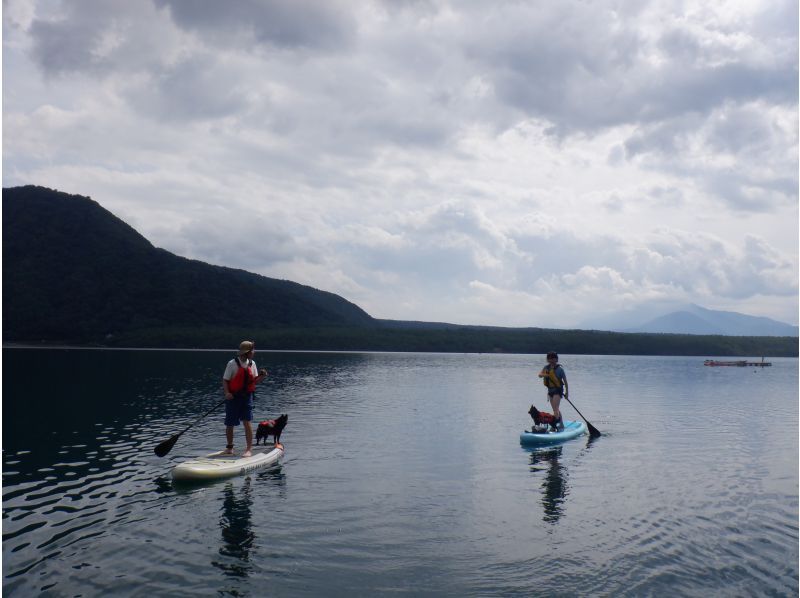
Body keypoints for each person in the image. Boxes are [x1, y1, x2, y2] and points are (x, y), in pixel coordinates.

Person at [222, 341, 268, 457]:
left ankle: (248, 449)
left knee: (247, 421)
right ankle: (229, 447)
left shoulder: (252, 364)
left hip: (247, 397)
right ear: (247, 352)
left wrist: (262, 377)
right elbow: (225, 380)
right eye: (252, 350)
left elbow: (254, 381)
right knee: (230, 423)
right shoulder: (232, 363)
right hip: (233, 397)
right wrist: (227, 393)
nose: (254, 352)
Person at [538, 351, 568, 431]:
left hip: (558, 391)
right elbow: (540, 375)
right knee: (555, 409)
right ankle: (561, 423)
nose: (551, 360)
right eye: (549, 358)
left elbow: (565, 381)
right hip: (550, 390)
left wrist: (567, 393)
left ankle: (555, 426)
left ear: (556, 359)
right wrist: (546, 375)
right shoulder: (546, 368)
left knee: (555, 409)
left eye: (553, 358)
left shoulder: (560, 369)